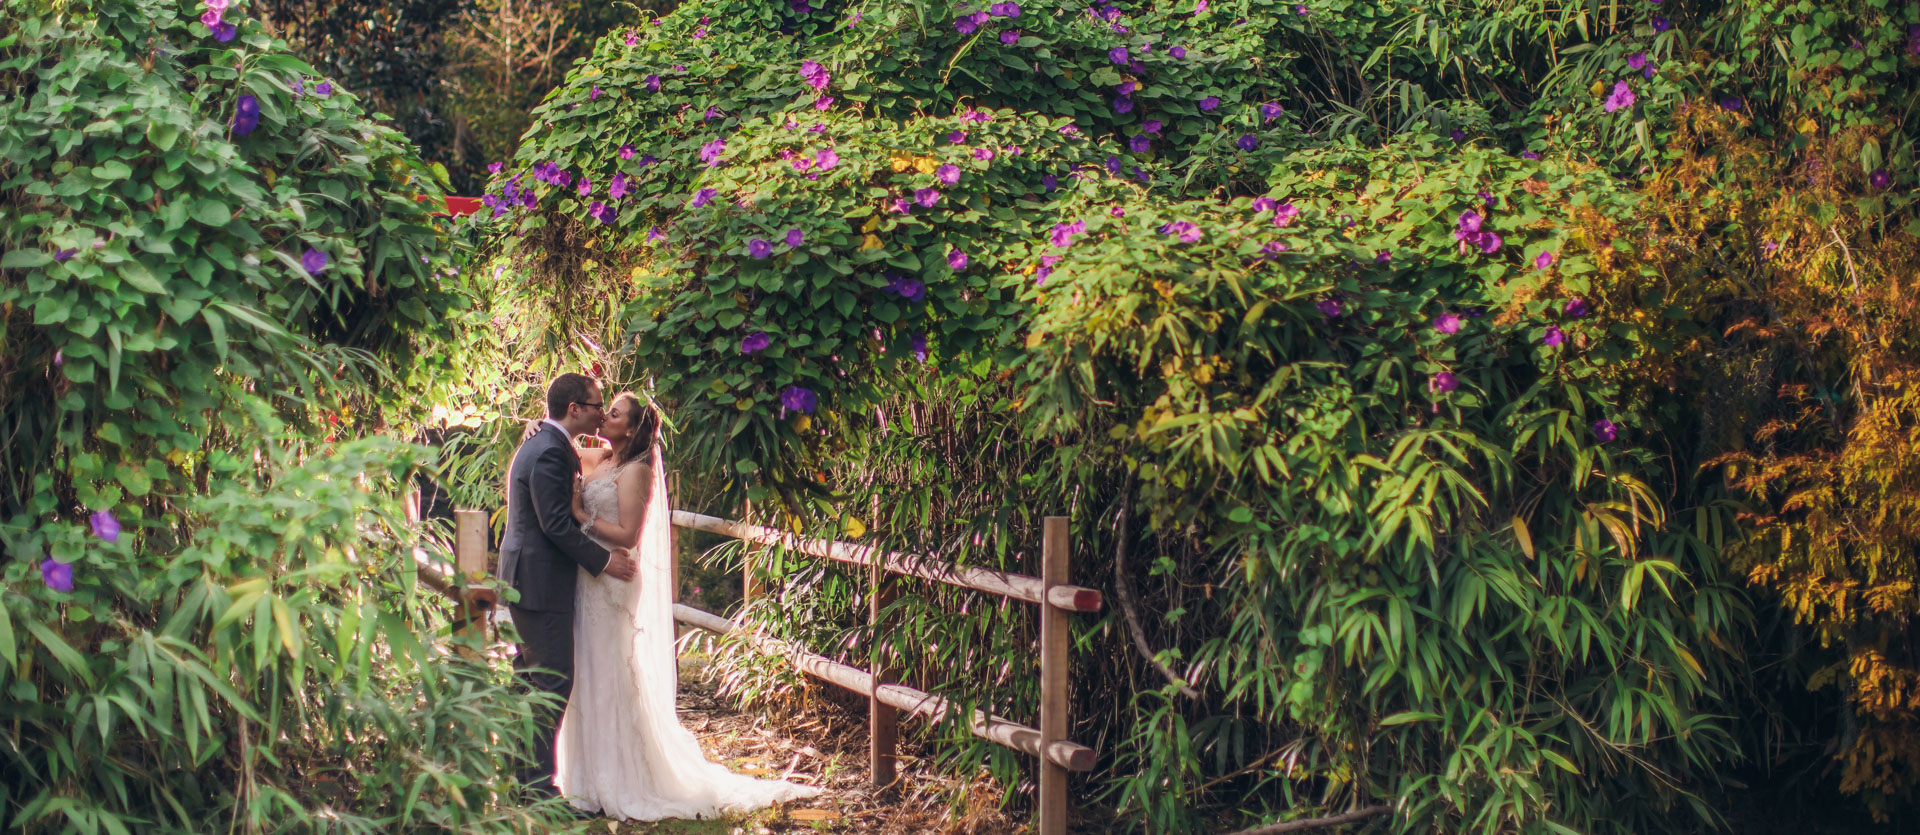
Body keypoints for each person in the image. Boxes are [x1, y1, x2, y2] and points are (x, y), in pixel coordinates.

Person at [554, 391, 821, 820]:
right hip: (589, 578)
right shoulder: (600, 459)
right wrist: (535, 427)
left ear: (633, 427)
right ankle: (584, 777)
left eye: (616, 413)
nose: (605, 416)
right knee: (585, 668)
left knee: (608, 670)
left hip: (615, 577)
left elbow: (626, 535)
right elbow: (561, 439)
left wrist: (579, 515)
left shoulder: (637, 471)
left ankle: (620, 777)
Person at [497, 373, 638, 800]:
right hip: (538, 584)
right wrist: (603, 561)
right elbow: (555, 523)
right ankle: (538, 790)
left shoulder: (551, 444)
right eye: (597, 405)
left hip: (530, 579)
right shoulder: (550, 450)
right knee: (551, 683)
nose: (600, 412)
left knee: (530, 681)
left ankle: (520, 780)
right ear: (574, 409)